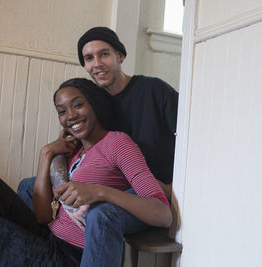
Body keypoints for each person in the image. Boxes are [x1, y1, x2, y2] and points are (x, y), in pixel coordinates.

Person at [0, 78, 171, 267]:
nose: (70, 116)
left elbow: (161, 213)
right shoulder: (72, 152)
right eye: (62, 111)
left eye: (78, 105)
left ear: (95, 105)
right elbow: (42, 216)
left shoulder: (117, 143)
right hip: (47, 239)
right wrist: (46, 154)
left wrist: (101, 192)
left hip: (67, 258)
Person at [17, 26, 178, 267]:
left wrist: (173, 188)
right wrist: (61, 145)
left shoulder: (153, 90)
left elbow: (196, 133)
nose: (97, 64)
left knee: (101, 212)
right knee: (30, 186)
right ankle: (47, 247)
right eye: (89, 58)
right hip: (117, 177)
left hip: (150, 187)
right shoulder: (96, 105)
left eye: (104, 54)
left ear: (120, 56)